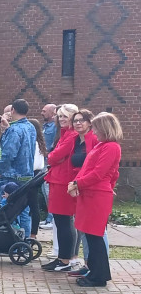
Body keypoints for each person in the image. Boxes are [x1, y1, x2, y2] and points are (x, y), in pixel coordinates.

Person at [70, 112, 122, 288]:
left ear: (105, 128)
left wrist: (78, 182)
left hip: (96, 194)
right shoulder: (102, 145)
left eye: (97, 127)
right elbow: (112, 174)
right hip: (91, 193)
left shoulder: (111, 147)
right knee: (92, 236)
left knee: (95, 236)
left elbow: (100, 173)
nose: (94, 131)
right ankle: (95, 271)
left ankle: (99, 276)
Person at [41, 106, 96, 272]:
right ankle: (65, 258)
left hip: (63, 180)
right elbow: (54, 155)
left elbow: (54, 156)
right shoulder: (67, 134)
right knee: (62, 220)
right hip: (59, 179)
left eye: (65, 116)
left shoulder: (71, 135)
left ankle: (65, 259)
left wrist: (52, 156)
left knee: (64, 220)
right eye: (59, 116)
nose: (62, 119)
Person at [0, 99, 36, 234]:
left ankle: (7, 240)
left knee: (7, 209)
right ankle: (25, 239)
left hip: (10, 176)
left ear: (13, 110)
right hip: (27, 175)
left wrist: (0, 171)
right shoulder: (31, 127)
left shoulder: (14, 130)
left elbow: (8, 154)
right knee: (23, 210)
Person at [38, 103, 58, 229]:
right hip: (43, 160)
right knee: (45, 191)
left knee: (48, 190)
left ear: (52, 113)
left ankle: (52, 219)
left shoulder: (55, 127)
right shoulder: (45, 126)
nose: (42, 112)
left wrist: (50, 153)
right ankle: (48, 217)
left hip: (49, 161)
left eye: (44, 111)